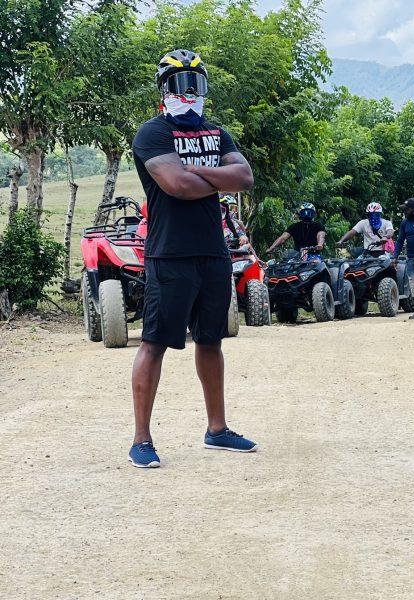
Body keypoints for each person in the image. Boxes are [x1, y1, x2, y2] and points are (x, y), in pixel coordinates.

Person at [129, 49, 257, 468]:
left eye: (195, 84)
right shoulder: (152, 133)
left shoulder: (217, 132)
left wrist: (191, 173)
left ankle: (216, 430)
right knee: (154, 344)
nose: (188, 93)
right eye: (178, 85)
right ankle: (142, 440)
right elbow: (177, 187)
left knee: (211, 340)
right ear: (163, 91)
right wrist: (211, 175)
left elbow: (244, 178)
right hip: (170, 255)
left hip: (213, 255)